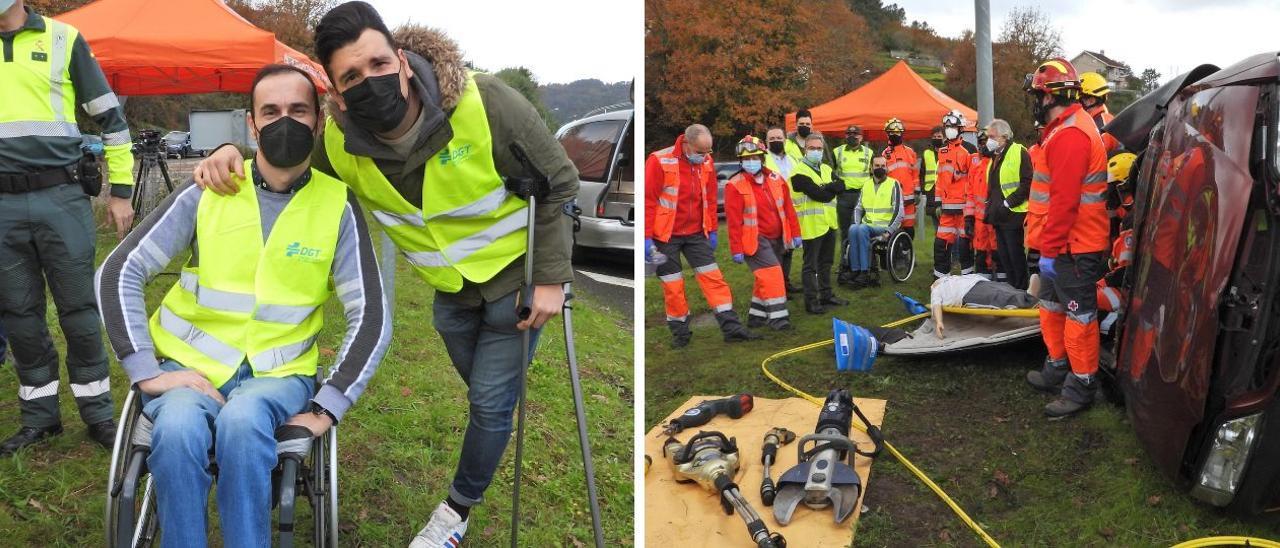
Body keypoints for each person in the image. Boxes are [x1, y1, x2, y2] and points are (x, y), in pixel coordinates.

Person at [193, 4, 578, 543]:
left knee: (491, 405)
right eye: (352, 76)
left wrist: (550, 277)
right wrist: (234, 147)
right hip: (451, 296)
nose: (369, 81)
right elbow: (285, 168)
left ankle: (454, 514)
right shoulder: (339, 144)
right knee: (485, 400)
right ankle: (487, 439)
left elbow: (560, 181)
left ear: (400, 59)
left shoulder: (485, 101)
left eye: (377, 64)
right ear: (337, 91)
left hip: (516, 282)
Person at [97, 64, 390, 547]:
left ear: (318, 122)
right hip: (190, 371)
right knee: (177, 428)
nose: (285, 123)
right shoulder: (208, 192)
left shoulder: (337, 204)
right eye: (270, 112)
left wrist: (328, 406)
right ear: (251, 125)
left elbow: (372, 315)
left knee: (242, 420)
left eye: (298, 110)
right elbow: (117, 272)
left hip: (278, 377)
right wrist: (147, 372)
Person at [0, 0, 137, 456]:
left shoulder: (64, 38)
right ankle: (40, 418)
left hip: (61, 197)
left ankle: (98, 414)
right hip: (2, 205)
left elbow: (111, 119)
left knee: (79, 312)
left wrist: (120, 190)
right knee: (19, 315)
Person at [1022, 58, 1111, 419]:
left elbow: (1064, 201)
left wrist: (1050, 249)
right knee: (1052, 309)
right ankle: (1057, 366)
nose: (1036, 103)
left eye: (1038, 96)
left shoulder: (1071, 134)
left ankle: (1082, 385)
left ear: (1049, 97)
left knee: (1079, 318)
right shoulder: (1062, 129)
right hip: (1062, 246)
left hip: (1075, 247)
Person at [646, 124, 758, 347]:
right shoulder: (659, 160)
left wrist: (713, 229)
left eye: (709, 152)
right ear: (686, 144)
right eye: (701, 152)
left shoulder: (705, 161)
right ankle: (681, 334)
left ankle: (731, 328)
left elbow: (708, 198)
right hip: (665, 236)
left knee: (714, 279)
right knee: (673, 286)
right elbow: (648, 200)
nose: (706, 157)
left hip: (697, 233)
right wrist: (646, 237)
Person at [724, 136, 801, 331]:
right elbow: (733, 221)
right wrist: (736, 248)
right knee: (773, 275)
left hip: (778, 238)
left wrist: (795, 232)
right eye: (746, 159)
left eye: (755, 157)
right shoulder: (734, 185)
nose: (751, 162)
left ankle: (756, 318)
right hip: (755, 241)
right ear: (741, 161)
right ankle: (779, 319)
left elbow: (788, 209)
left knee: (765, 278)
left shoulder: (776, 179)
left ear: (762, 157)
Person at [788, 133, 847, 314]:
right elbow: (819, 194)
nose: (816, 151)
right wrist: (829, 188)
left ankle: (826, 295)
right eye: (812, 148)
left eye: (819, 148)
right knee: (810, 266)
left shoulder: (827, 169)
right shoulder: (798, 172)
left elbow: (841, 185)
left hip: (828, 223)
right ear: (805, 150)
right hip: (811, 226)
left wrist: (826, 188)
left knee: (826, 262)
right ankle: (811, 301)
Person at [983, 119, 1033, 290]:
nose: (988, 139)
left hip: (1014, 213)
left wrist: (1007, 203)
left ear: (1003, 137)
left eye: (991, 136)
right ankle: (1013, 289)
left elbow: (1027, 183)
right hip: (999, 213)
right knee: (1004, 256)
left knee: (1015, 254)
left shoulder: (1019, 152)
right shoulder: (995, 156)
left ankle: (1021, 289)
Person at [846, 155, 904, 287]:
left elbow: (899, 212)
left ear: (887, 168)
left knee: (861, 229)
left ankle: (865, 272)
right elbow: (858, 208)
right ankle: (855, 270)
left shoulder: (893, 184)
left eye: (883, 166)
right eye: (877, 166)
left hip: (884, 226)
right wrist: (856, 223)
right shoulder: (866, 185)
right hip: (867, 226)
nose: (880, 168)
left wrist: (889, 232)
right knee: (853, 228)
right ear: (871, 168)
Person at [932, 112, 977, 278]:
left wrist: (972, 208)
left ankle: (968, 281)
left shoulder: (970, 150)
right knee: (940, 246)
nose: (950, 130)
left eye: (953, 127)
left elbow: (974, 180)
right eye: (948, 127)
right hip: (946, 210)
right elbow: (940, 178)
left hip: (964, 209)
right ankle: (940, 280)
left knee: (965, 247)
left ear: (961, 128)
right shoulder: (942, 151)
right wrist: (937, 203)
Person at [833, 125, 873, 283]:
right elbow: (829, 172)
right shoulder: (837, 152)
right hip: (844, 197)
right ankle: (845, 264)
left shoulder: (869, 153)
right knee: (845, 232)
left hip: (862, 198)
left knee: (861, 232)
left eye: (855, 134)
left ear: (861, 137)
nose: (852, 136)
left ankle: (865, 266)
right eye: (848, 133)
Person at [763, 126, 800, 295]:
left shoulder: (792, 159)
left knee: (788, 248)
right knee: (775, 249)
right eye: (772, 139)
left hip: (791, 209)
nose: (776, 141)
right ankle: (776, 286)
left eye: (779, 138)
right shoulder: (763, 159)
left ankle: (785, 282)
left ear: (785, 139)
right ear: (766, 142)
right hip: (772, 210)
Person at [969, 130, 999, 280]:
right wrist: (969, 217)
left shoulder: (998, 165)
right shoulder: (976, 168)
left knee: (997, 254)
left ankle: (1002, 285)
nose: (983, 147)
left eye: (985, 143)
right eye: (980, 143)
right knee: (981, 255)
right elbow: (970, 194)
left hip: (995, 219)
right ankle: (982, 284)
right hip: (980, 220)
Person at [882, 118, 918, 232]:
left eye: (898, 132)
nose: (895, 135)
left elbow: (915, 174)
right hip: (893, 198)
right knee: (893, 229)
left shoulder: (910, 152)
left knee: (909, 230)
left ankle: (907, 250)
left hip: (910, 199)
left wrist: (917, 191)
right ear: (887, 134)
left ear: (902, 133)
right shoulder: (884, 154)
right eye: (892, 132)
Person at [1079, 71, 1123, 153]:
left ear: (1091, 101)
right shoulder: (1101, 119)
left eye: (1079, 99)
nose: (1076, 103)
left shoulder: (1100, 128)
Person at [921, 126, 943, 228]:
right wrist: (922, 191)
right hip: (931, 192)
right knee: (937, 226)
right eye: (934, 136)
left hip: (946, 192)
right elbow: (922, 173)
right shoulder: (926, 153)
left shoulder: (948, 151)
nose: (936, 138)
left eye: (939, 136)